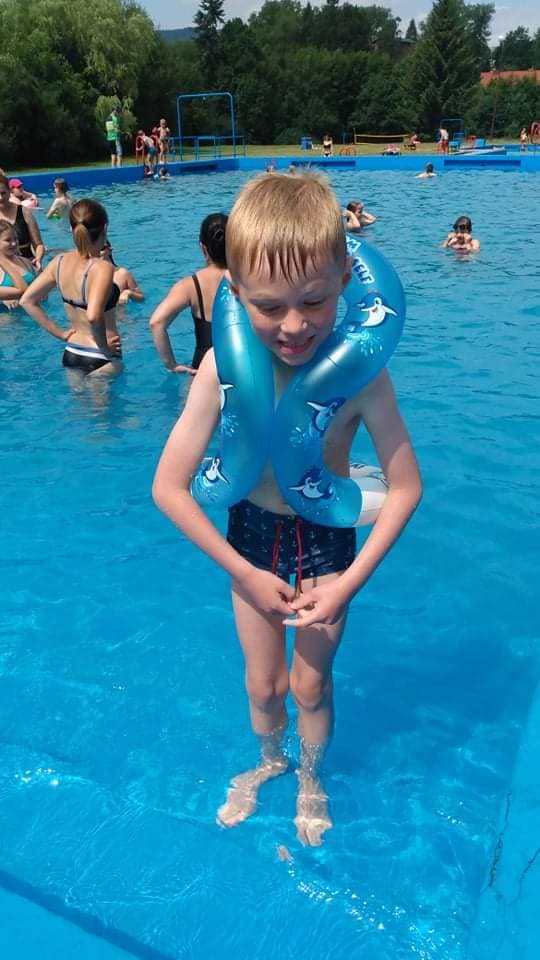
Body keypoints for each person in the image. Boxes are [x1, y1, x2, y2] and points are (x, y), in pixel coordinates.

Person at [152, 171, 422, 846]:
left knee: (310, 686)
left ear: (344, 279)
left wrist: (348, 585)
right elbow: (169, 488)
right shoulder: (221, 369)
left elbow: (406, 488)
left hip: (327, 542)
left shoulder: (362, 374)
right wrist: (243, 572)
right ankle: (269, 762)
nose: (295, 325)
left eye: (316, 300)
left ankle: (309, 776)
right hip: (251, 538)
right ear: (234, 291)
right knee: (264, 684)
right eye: (270, 306)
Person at [20, 199, 122, 376]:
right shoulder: (102, 268)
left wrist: (60, 334)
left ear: (71, 228)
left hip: (72, 351)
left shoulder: (59, 261)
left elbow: (27, 301)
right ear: (105, 229)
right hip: (99, 354)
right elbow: (93, 316)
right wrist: (105, 349)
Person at [150, 212, 228, 374]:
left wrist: (172, 365)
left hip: (203, 368)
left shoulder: (190, 285)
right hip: (244, 364)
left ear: (203, 247)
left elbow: (156, 323)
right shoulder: (249, 279)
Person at [0, 173, 44, 269]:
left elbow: (39, 244)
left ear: (9, 191)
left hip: (28, 265)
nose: (0, 198)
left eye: (3, 193)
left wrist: (38, 258)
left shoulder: (24, 211)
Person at [0, 220, 37, 310]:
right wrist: (3, 299)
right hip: (7, 316)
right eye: (8, 240)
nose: (14, 243)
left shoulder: (25, 262)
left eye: (15, 239)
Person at [100, 239, 144, 304]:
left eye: (101, 249)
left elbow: (141, 297)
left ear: (110, 251)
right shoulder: (90, 275)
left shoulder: (123, 274)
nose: (97, 252)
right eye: (94, 249)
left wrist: (129, 293)